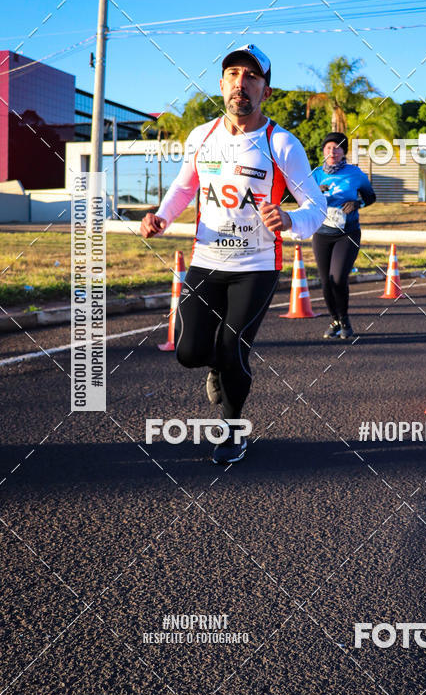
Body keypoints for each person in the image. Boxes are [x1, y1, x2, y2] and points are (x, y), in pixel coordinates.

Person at [141, 44, 326, 464]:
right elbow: (185, 186)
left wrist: (289, 219)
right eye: (233, 75)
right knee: (188, 352)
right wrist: (162, 217)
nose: (240, 83)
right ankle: (216, 369)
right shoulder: (201, 136)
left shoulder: (282, 144)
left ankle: (231, 431)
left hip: (256, 266)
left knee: (232, 347)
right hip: (206, 261)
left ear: (266, 91)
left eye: (251, 77)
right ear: (221, 84)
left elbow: (317, 207)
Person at [312, 132, 376, 339]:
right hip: (322, 233)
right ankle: (335, 321)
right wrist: (314, 192)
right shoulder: (315, 174)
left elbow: (371, 197)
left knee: (338, 278)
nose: (333, 151)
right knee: (326, 281)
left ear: (343, 152)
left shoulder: (355, 173)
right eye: (329, 148)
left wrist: (358, 203)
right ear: (323, 151)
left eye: (337, 148)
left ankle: (345, 319)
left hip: (347, 233)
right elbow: (302, 199)